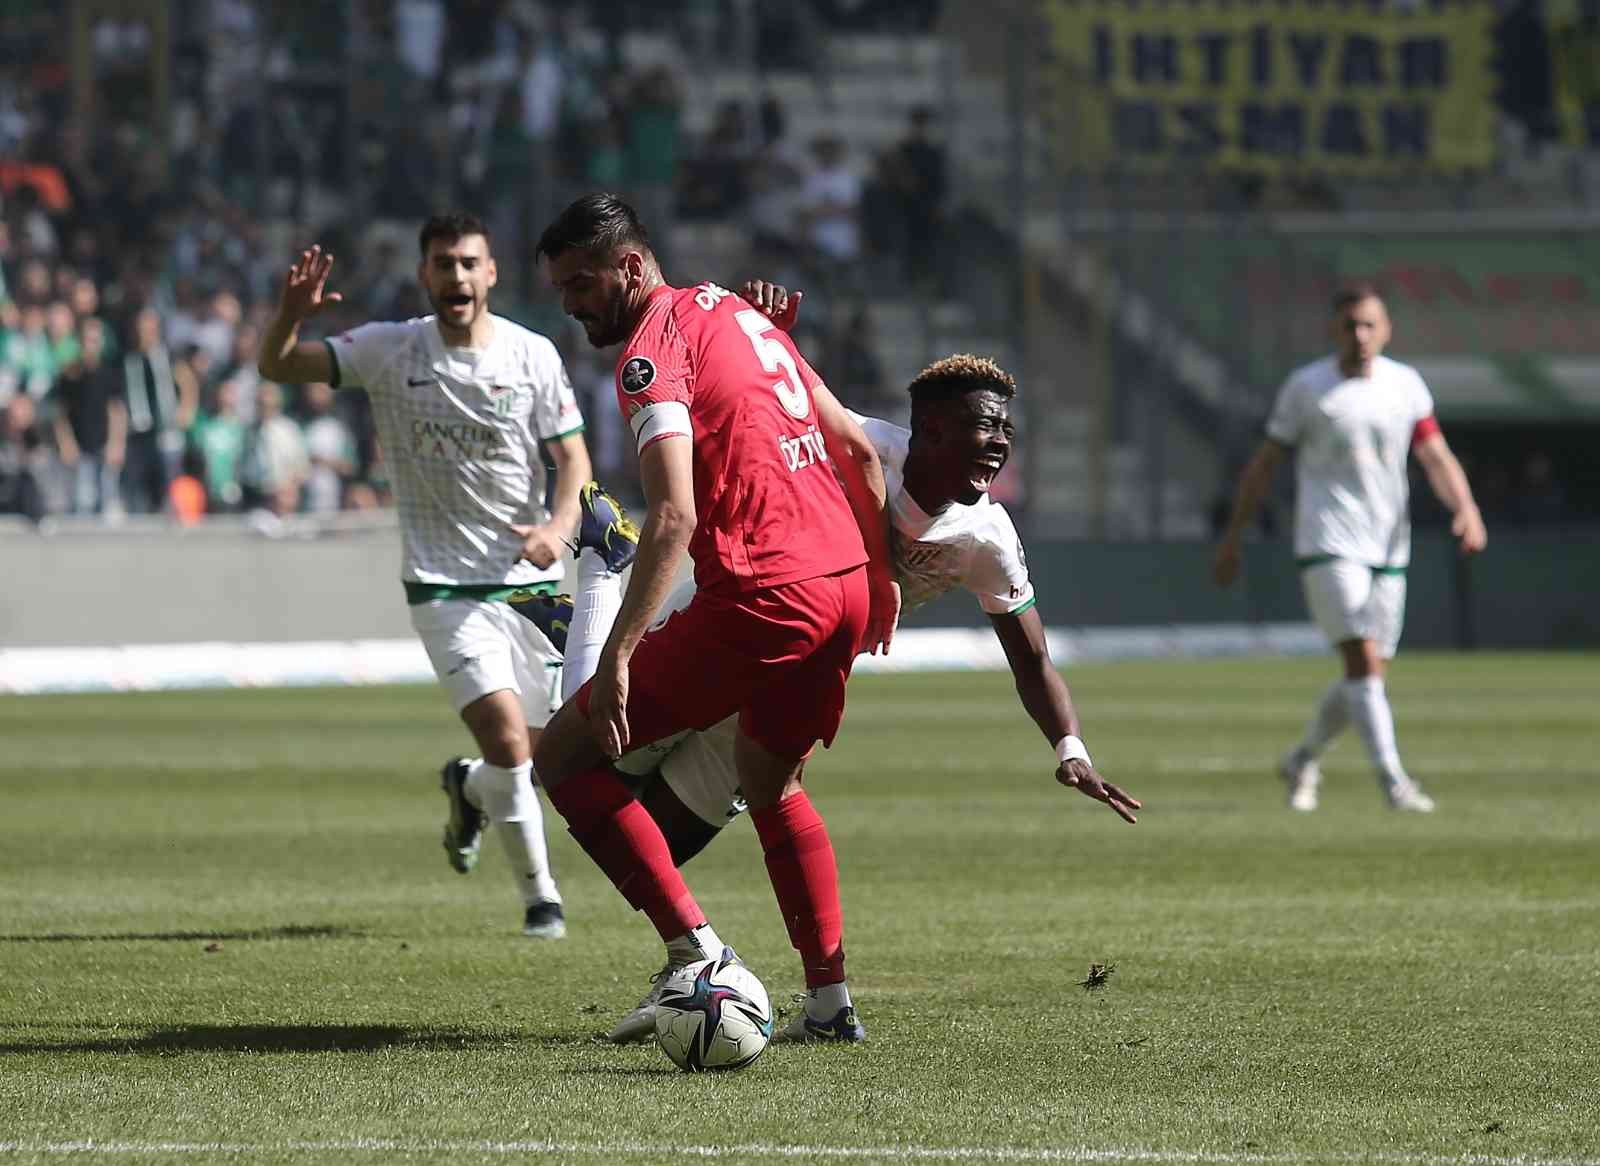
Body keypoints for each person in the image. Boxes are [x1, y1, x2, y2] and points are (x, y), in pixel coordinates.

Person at [579, 290, 1141, 1043]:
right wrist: (762, 326)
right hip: (736, 613)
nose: (1001, 441)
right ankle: (594, 589)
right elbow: (766, 392)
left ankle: (745, 988)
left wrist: (1071, 751)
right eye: (985, 426)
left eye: (1007, 427)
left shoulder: (986, 538)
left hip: (802, 657)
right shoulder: (861, 444)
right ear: (931, 430)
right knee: (590, 753)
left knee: (663, 836)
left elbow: (1032, 657)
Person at [533, 193, 898, 1044]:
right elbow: (852, 445)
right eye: (559, 290)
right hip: (837, 584)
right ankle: (830, 1006)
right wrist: (875, 580)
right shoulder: (738, 313)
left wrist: (620, 650)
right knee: (772, 785)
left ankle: (694, 954)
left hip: (764, 594)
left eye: (582, 283)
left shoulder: (649, 355)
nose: (572, 304)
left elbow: (672, 518)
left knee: (564, 756)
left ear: (631, 267)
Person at [256, 211, 633, 939]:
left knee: (555, 747)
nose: (456, 276)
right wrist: (288, 317)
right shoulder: (389, 349)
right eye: (442, 264)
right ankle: (542, 903)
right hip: (444, 586)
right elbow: (278, 366)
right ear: (424, 275)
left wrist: (557, 530)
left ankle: (468, 788)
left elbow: (574, 462)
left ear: (489, 273)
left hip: (525, 583)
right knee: (510, 742)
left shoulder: (531, 357)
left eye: (469, 263)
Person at [1212, 283, 1487, 813]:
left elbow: (1435, 455)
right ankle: (1395, 783)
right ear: (1332, 330)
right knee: (1361, 659)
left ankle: (1301, 758)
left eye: (1369, 325)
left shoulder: (1405, 385)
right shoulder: (1307, 387)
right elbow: (1265, 465)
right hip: (1327, 541)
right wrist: (1233, 537)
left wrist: (1466, 509)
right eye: (1349, 325)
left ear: (1386, 330)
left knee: (1368, 674)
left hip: (1389, 545)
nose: (1359, 335)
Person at [50, 317, 126, 516]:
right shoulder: (69, 375)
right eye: (86, 340)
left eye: (94, 340)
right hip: (79, 448)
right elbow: (60, 413)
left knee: (108, 503)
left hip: (104, 446)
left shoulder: (109, 374)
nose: (90, 345)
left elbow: (117, 411)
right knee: (81, 503)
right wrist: (66, 442)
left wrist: (116, 443)